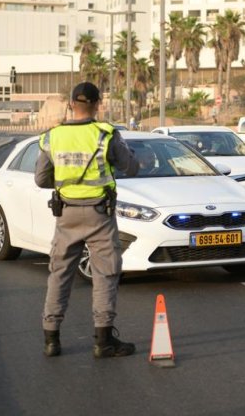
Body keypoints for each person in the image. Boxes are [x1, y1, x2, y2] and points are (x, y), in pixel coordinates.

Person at [35, 81, 139, 358]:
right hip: (99, 216)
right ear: (97, 105)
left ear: (71, 104)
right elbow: (130, 165)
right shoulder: (105, 134)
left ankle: (51, 340)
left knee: (59, 274)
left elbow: (41, 178)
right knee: (105, 273)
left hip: (66, 214)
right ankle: (103, 341)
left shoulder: (52, 137)